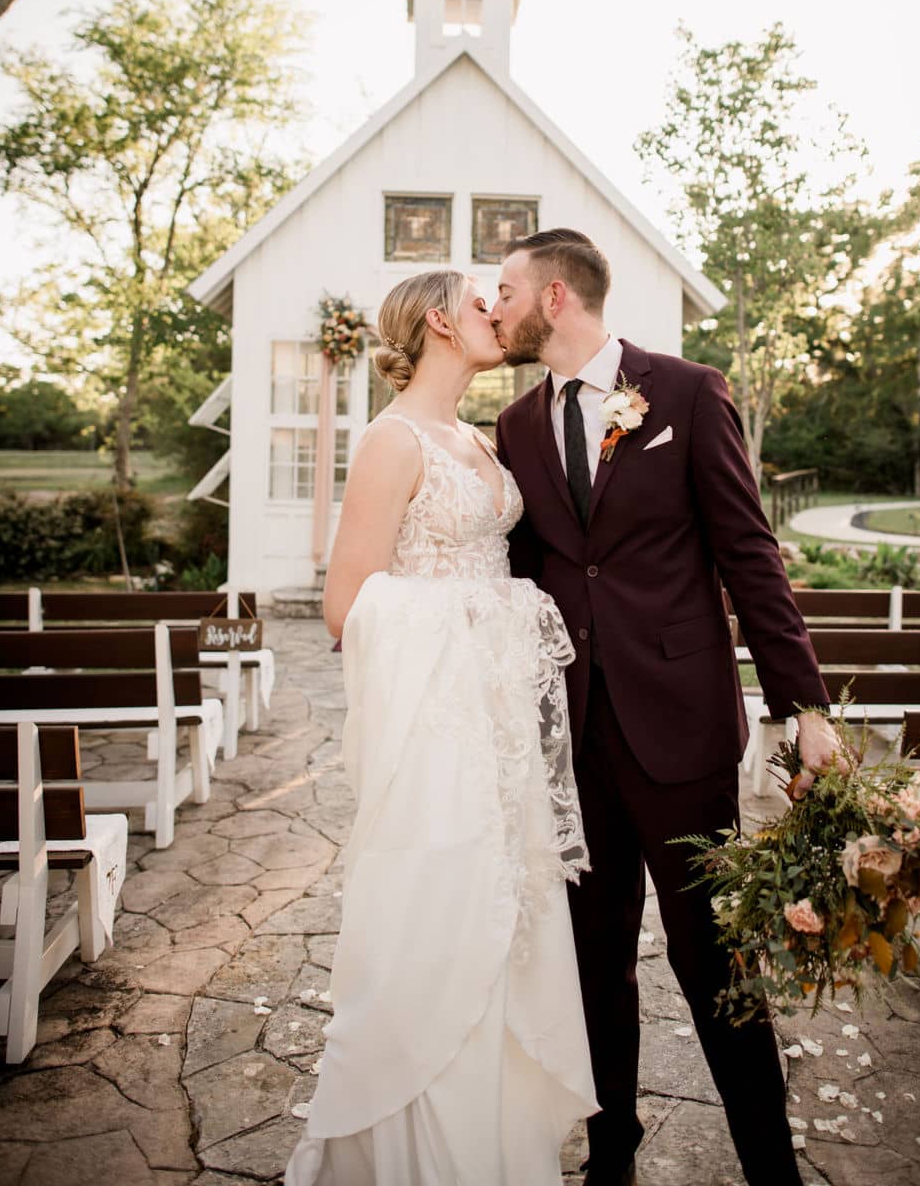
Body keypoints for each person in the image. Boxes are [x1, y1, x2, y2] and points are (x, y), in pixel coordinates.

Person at [492, 228, 839, 1186]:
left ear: (556, 296)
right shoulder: (517, 425)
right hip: (573, 741)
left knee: (714, 962)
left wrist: (803, 705)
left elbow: (749, 553)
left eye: (508, 288)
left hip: (679, 730)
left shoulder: (686, 390)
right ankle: (613, 1157)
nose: (496, 305)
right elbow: (527, 577)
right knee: (595, 966)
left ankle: (771, 1167)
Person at [285, 267, 598, 1186]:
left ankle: (496, 1148)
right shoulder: (393, 441)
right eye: (479, 301)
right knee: (441, 917)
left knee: (508, 917)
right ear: (437, 322)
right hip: (438, 729)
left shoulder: (482, 440)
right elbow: (347, 608)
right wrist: (491, 615)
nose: (497, 312)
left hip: (500, 724)